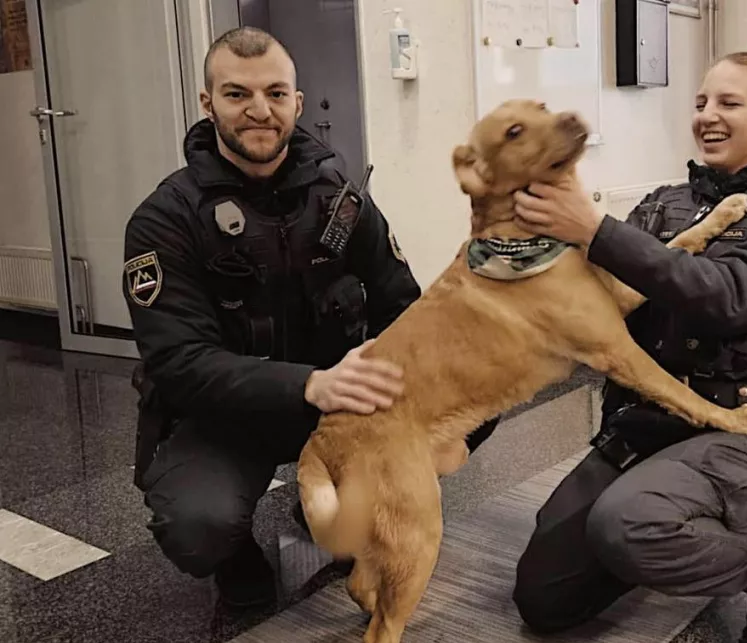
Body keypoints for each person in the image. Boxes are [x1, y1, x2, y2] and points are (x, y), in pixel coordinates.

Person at [122, 27, 496, 609]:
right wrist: (311, 384)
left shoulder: (338, 196)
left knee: (474, 404)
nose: (259, 111)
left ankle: (328, 505)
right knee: (199, 526)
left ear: (297, 102)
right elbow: (180, 363)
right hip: (225, 414)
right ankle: (237, 552)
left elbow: (402, 303)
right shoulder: (165, 219)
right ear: (207, 104)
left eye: (275, 93)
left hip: (339, 406)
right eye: (237, 95)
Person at [509, 51, 747, 643]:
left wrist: (599, 230)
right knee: (544, 599)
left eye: (728, 103)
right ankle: (661, 533)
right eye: (700, 103)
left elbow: (731, 299)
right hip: (646, 427)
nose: (707, 116)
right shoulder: (663, 204)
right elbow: (596, 301)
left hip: (743, 431)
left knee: (626, 523)